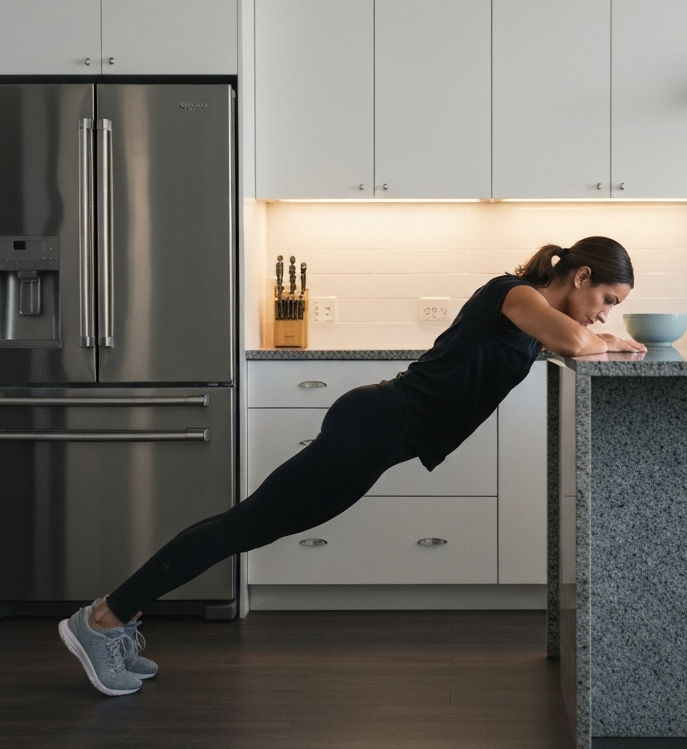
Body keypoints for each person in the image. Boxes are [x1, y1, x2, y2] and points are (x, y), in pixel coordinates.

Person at [58, 236, 644, 695]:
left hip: (376, 432)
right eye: (606, 302)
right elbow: (576, 343)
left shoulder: (531, 316)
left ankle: (116, 617)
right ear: (581, 276)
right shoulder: (516, 293)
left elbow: (567, 339)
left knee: (246, 525)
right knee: (241, 527)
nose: (603, 316)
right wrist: (614, 342)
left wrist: (604, 338)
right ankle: (103, 620)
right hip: (371, 427)